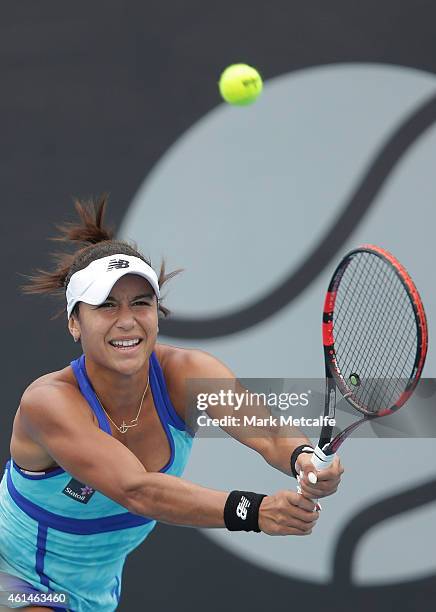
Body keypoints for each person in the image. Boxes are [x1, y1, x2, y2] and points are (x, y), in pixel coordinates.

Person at [0, 196, 343, 612]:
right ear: (75, 322)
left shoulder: (188, 375)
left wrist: (302, 456)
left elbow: (268, 433)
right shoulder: (48, 403)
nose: (126, 320)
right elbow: (138, 490)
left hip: (95, 592)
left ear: (157, 312)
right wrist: (257, 511)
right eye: (106, 305)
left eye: (140, 303)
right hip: (14, 578)